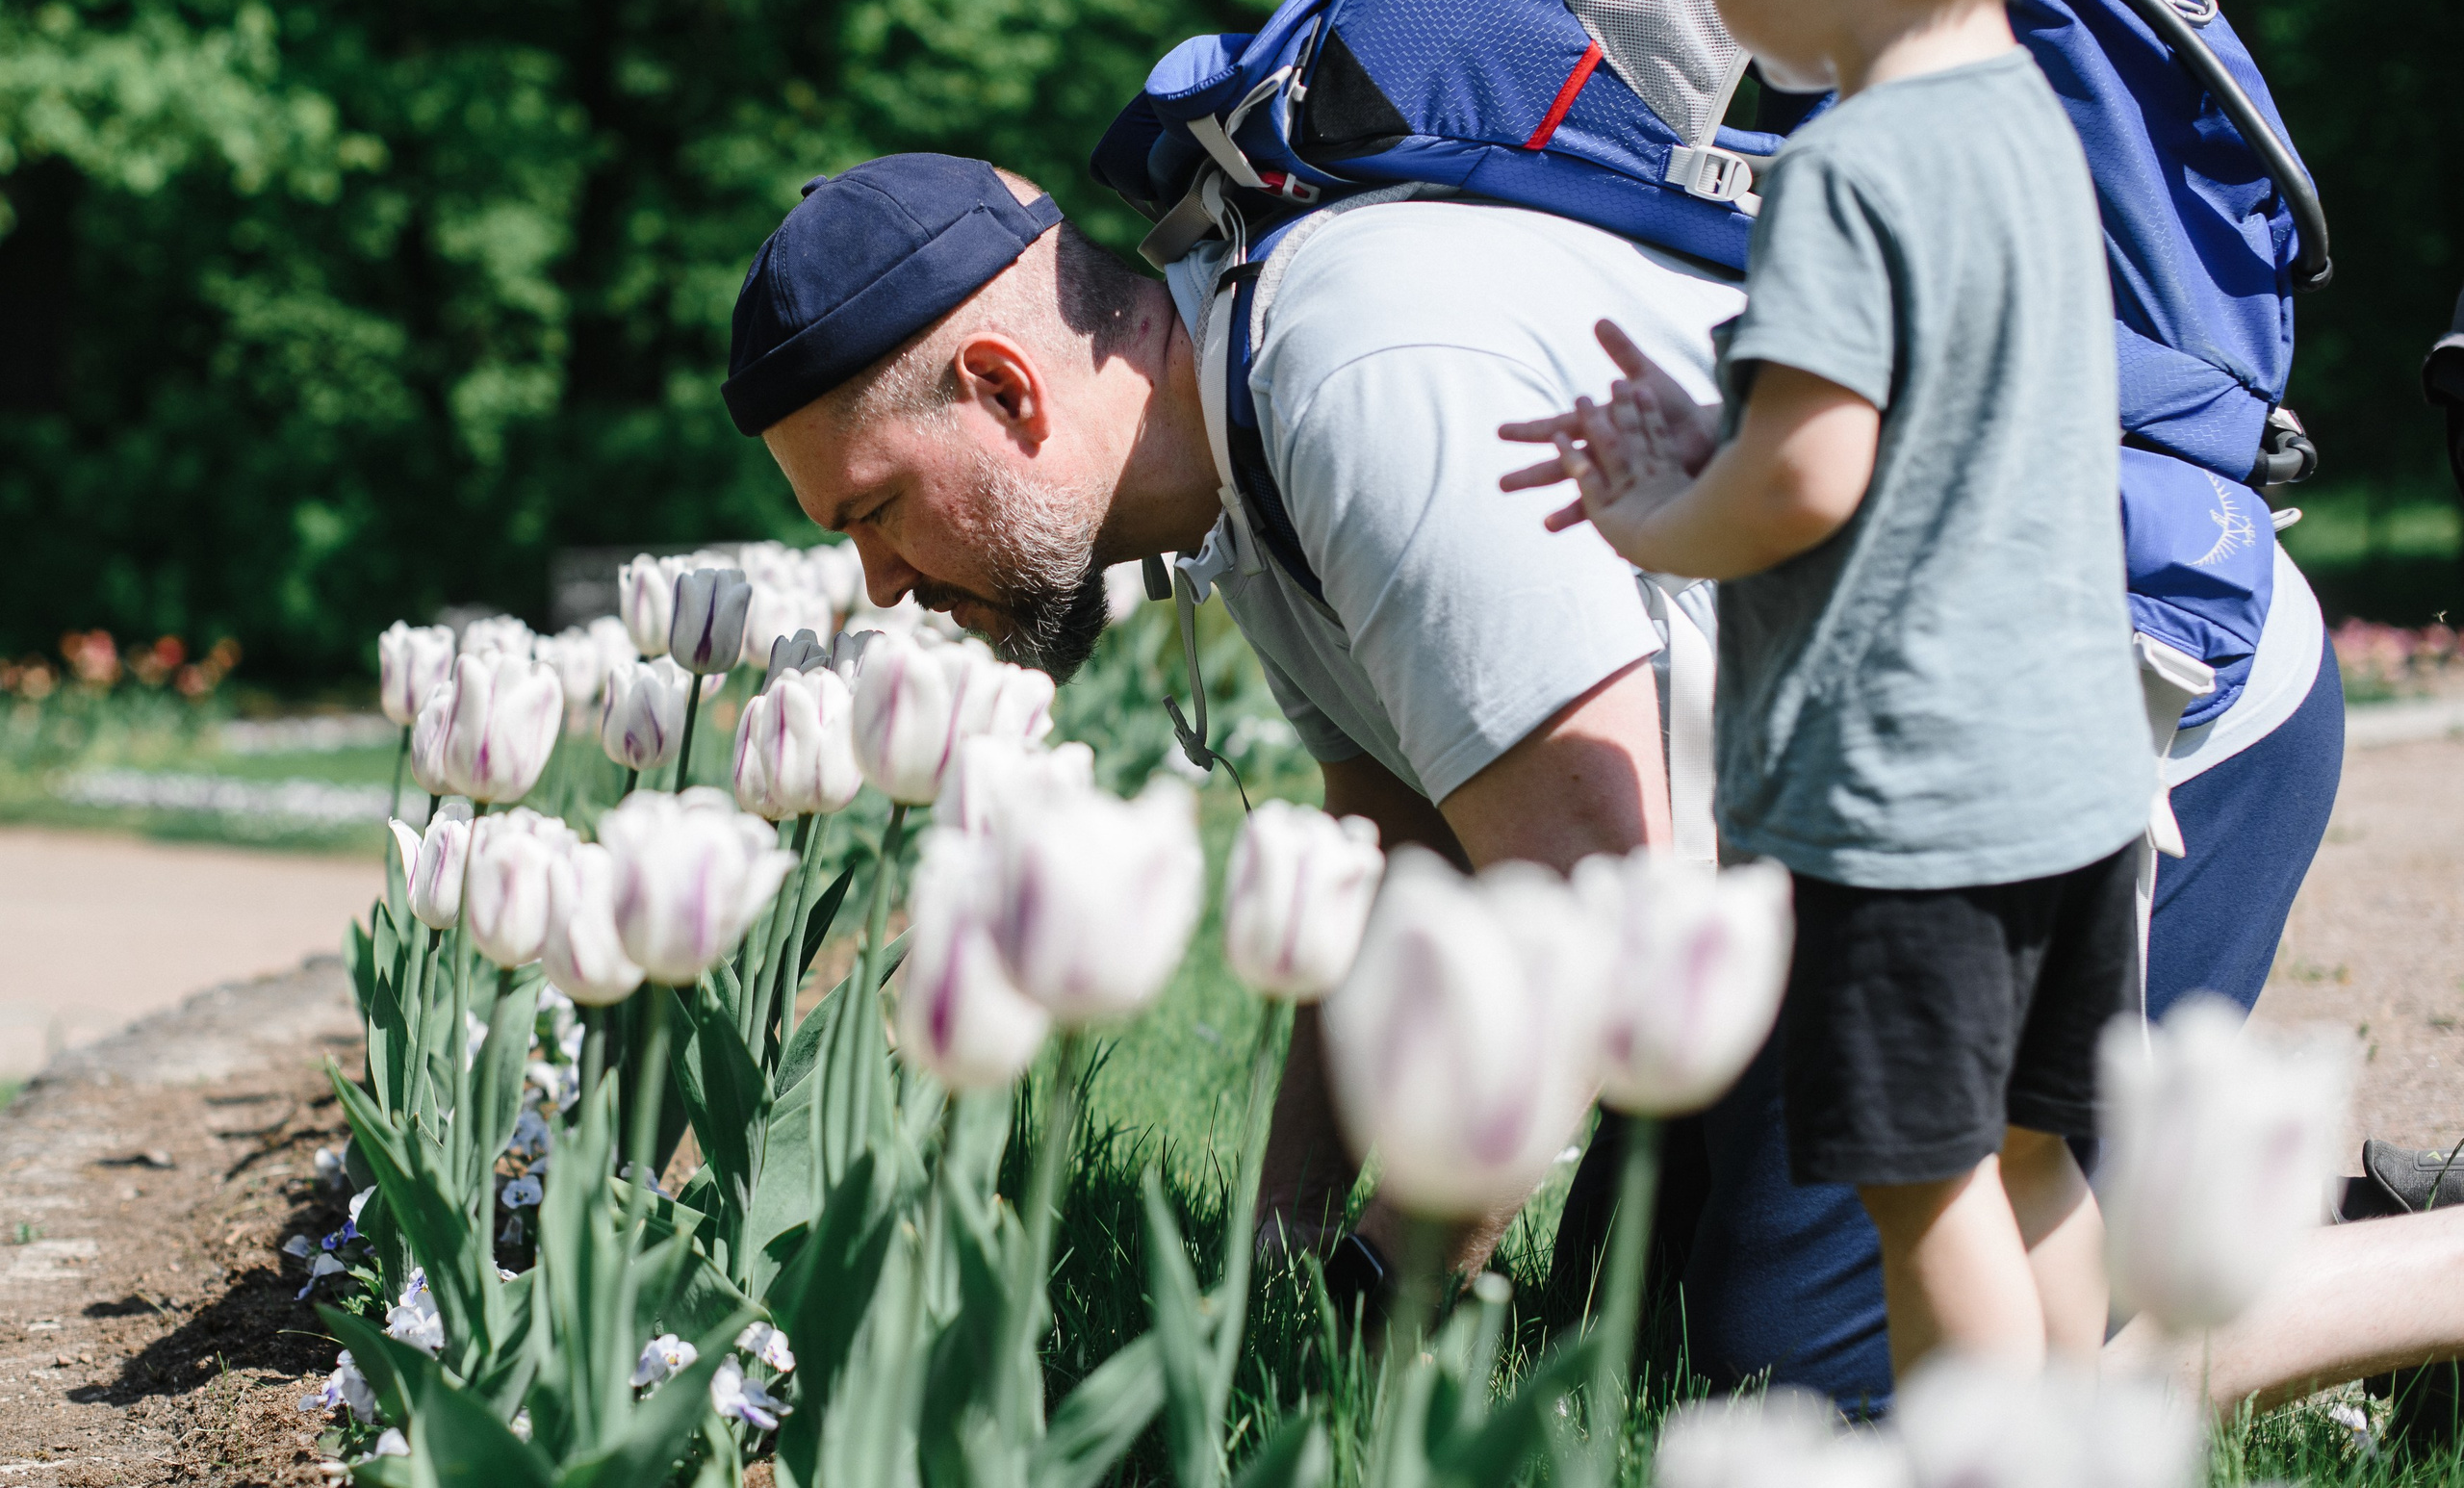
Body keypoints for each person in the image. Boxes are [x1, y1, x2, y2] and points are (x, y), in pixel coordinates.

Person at [719, 151, 2448, 1413]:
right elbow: (1400, 869)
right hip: (1814, 827)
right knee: (1620, 1323)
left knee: (1844, 1400)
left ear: (1010, 386)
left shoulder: (1358, 394)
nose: (877, 581)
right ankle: (2220, 1178)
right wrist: (1278, 1267)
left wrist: (1393, 1294)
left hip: (2111, 721)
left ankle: (2398, 1258)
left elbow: (1587, 889)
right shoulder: (1243, 448)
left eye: (874, 508)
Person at [1502, 0, 2139, 1376]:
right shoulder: (2037, 128)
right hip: (2080, 777)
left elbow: (1809, 480)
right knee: (2038, 1158)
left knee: (1926, 1192)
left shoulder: (1846, 170)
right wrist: (1727, 429)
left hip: (1915, 809)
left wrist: (1661, 513)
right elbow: (1938, 424)